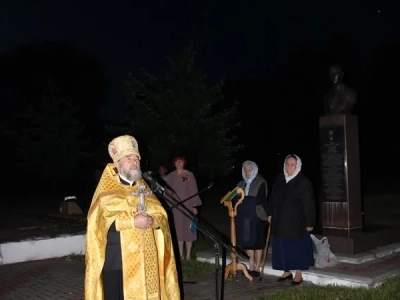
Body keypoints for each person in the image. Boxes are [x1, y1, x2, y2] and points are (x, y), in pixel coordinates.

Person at [85, 135, 180, 300]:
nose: (134, 160)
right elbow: (98, 226)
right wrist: (131, 222)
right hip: (116, 262)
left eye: (136, 157)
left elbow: (161, 215)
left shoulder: (145, 189)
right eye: (128, 157)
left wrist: (153, 220)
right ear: (117, 163)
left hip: (146, 261)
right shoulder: (106, 193)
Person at [267, 154, 316, 285]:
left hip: (296, 223)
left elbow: (309, 204)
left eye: (292, 165)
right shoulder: (279, 179)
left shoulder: (303, 182)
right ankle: (287, 270)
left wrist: (310, 222)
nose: (289, 167)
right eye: (287, 164)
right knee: (283, 247)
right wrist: (270, 213)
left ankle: (298, 273)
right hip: (279, 220)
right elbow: (273, 198)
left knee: (297, 249)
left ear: (297, 166)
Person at [235, 160, 269, 277]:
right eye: (245, 170)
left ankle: (258, 266)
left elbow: (261, 200)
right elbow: (235, 198)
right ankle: (251, 264)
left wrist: (268, 214)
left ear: (254, 170)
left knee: (258, 242)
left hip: (257, 215)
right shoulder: (240, 184)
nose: (247, 172)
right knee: (248, 242)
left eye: (249, 170)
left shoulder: (261, 182)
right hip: (244, 216)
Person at [164, 156, 202, 261]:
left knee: (189, 230)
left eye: (180, 162)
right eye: (176, 162)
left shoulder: (188, 175)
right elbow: (167, 191)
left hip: (188, 206)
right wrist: (169, 203)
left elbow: (194, 190)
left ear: (184, 163)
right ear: (174, 163)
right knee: (179, 230)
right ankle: (180, 254)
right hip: (176, 207)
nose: (178, 164)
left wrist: (194, 206)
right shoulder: (171, 176)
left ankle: (188, 255)